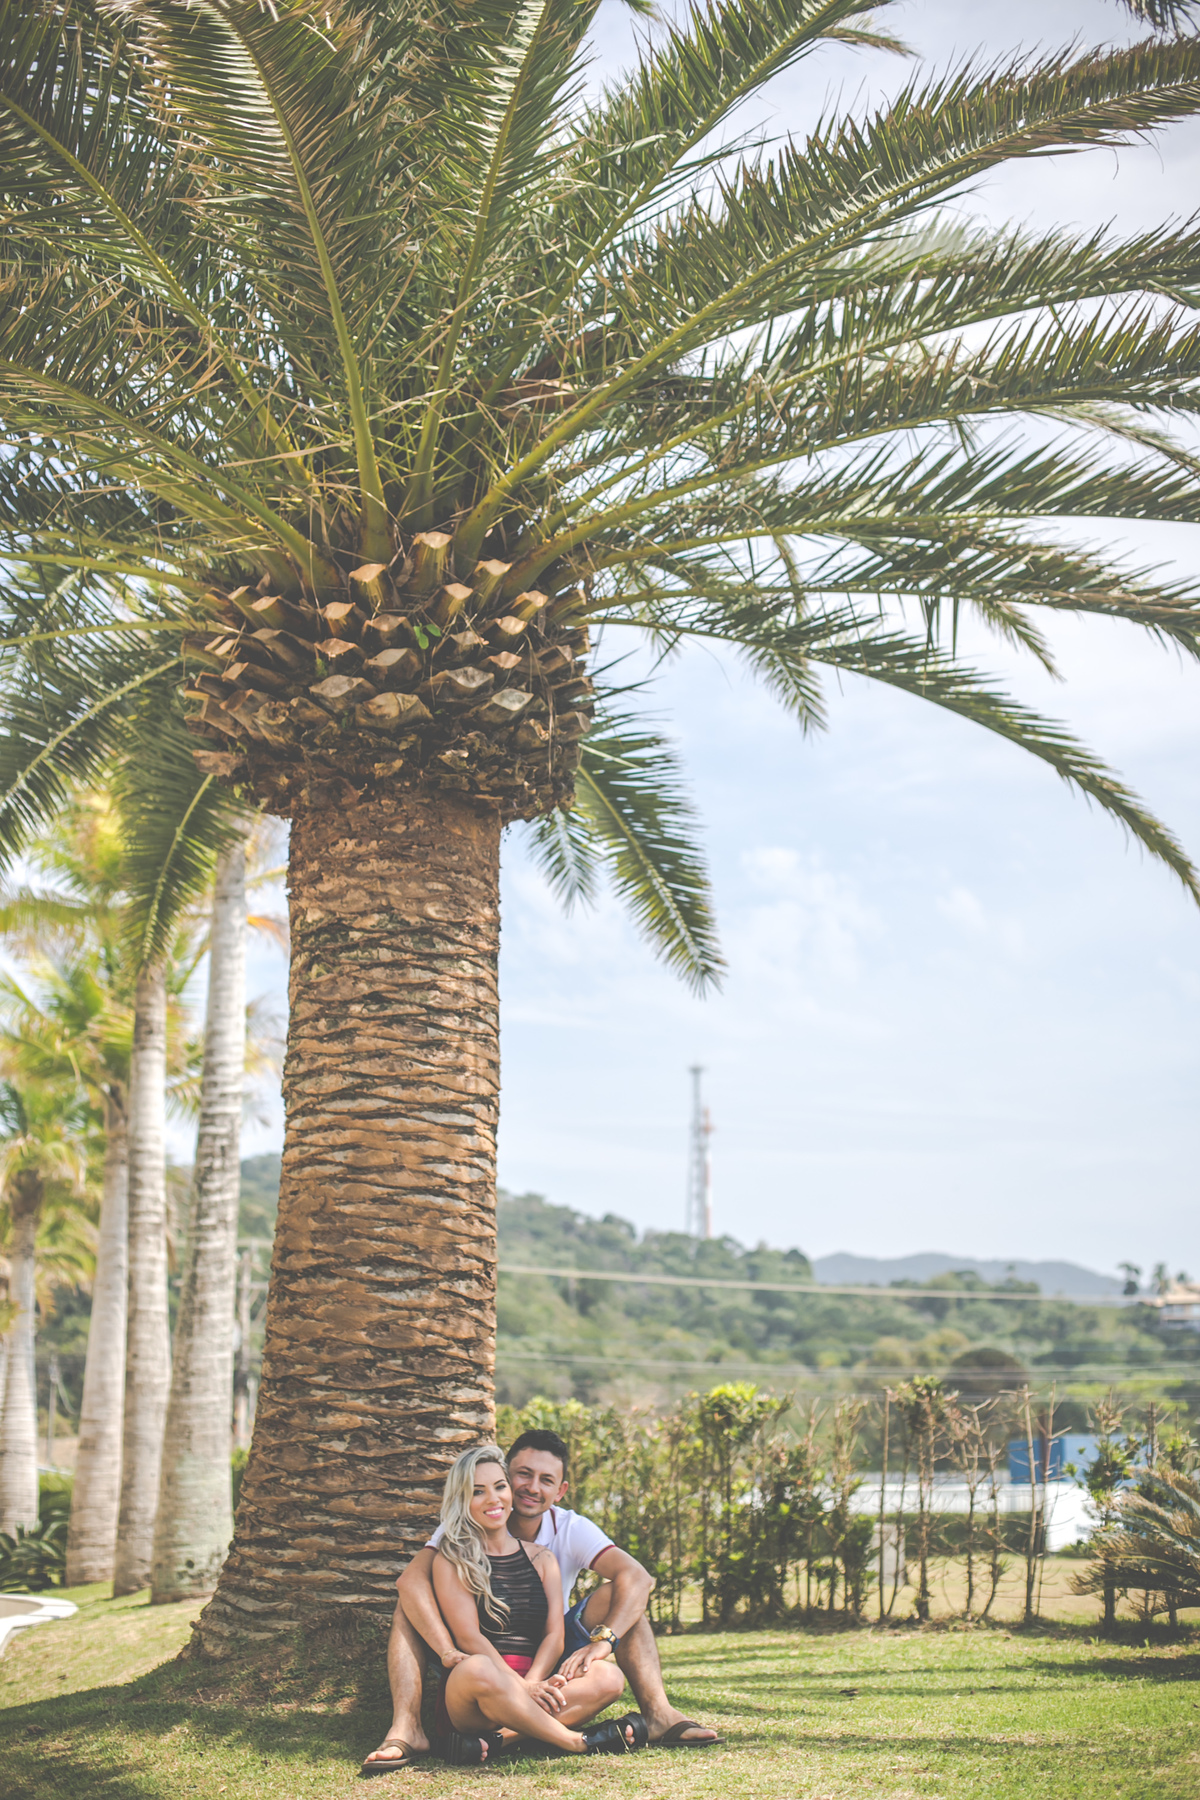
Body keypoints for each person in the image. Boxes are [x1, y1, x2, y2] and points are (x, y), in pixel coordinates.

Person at [362, 1428, 721, 1773]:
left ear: (560, 1490)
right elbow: (413, 1584)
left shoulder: (560, 1537)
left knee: (621, 1621)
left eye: (546, 1480)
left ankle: (653, 1715)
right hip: (479, 1668)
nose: (531, 1488)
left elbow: (637, 1578)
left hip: (544, 1657)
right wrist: (446, 1650)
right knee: (412, 1605)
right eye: (523, 1474)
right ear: (507, 1473)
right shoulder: (459, 1538)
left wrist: (601, 1643)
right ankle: (408, 1727)